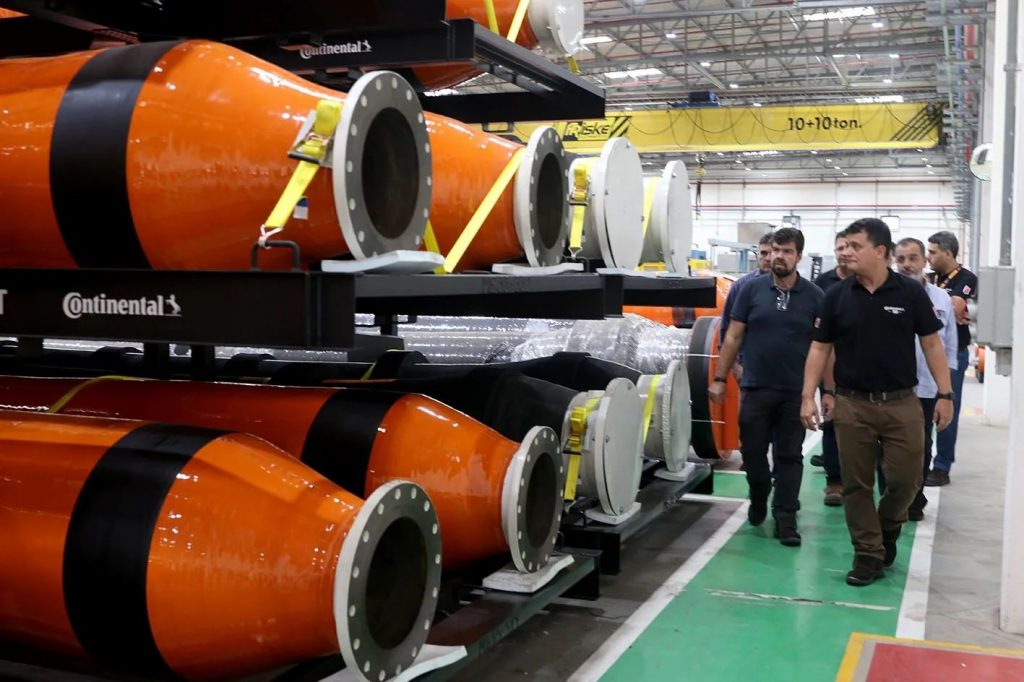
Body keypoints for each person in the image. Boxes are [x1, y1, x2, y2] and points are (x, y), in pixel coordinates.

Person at [801, 218, 953, 587]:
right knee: (856, 485)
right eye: (846, 246)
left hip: (903, 403)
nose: (847, 252)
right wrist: (808, 396)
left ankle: (886, 529)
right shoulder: (836, 295)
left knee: (906, 481)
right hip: (853, 404)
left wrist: (946, 394)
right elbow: (820, 348)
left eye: (856, 246)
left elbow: (932, 344)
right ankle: (868, 553)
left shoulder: (910, 293)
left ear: (880, 251)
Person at [711, 227, 824, 546]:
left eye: (786, 251)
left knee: (789, 456)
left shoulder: (815, 296)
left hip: (795, 392)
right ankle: (759, 492)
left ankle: (785, 518)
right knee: (752, 452)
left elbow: (823, 348)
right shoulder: (750, 290)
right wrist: (720, 378)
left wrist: (824, 393)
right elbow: (733, 335)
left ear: (798, 256)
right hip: (755, 388)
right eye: (775, 250)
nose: (778, 256)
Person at [894, 237, 959, 521]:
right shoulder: (887, 296)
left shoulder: (941, 298)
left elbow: (949, 345)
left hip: (928, 387)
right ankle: (895, 499)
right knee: (893, 448)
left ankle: (915, 499)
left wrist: (947, 391)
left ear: (924, 261)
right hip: (895, 386)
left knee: (921, 446)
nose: (907, 264)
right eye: (901, 259)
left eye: (913, 258)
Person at [925, 231, 978, 487]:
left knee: (947, 409)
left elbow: (955, 306)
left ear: (948, 253)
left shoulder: (966, 278)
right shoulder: (931, 277)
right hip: (925, 353)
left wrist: (937, 302)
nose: (928, 257)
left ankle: (942, 466)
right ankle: (922, 461)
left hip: (953, 354)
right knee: (922, 408)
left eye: (933, 252)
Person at [810, 231, 852, 507]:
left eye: (850, 247)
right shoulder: (822, 285)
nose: (845, 252)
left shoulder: (868, 282)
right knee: (832, 421)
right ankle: (834, 481)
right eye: (840, 248)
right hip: (829, 364)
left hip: (862, 365)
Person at [720, 232, 774, 359]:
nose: (767, 258)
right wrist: (734, 365)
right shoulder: (740, 287)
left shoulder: (787, 288)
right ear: (758, 255)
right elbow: (726, 327)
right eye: (763, 253)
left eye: (771, 253)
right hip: (746, 362)